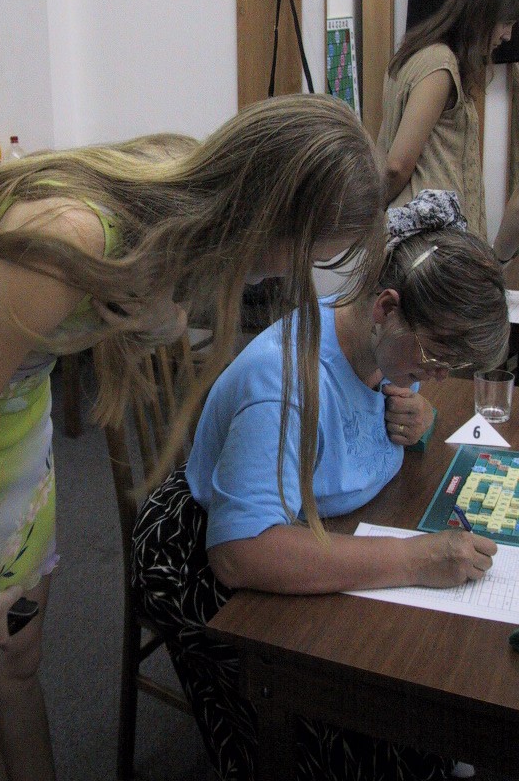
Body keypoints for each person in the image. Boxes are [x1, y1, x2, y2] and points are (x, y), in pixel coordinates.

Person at [0, 94, 385, 781]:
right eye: (293, 257)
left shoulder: (189, 197)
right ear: (265, 209)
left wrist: (155, 316)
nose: (280, 276)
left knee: (20, 665)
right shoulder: (73, 234)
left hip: (9, 425)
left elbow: (155, 315)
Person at [132, 190, 509, 781]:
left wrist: (421, 421)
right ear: (386, 307)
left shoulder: (378, 340)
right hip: (210, 553)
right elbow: (240, 553)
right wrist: (414, 559)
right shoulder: (284, 383)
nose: (436, 374)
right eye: (435, 357)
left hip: (313, 522)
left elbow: (363, 421)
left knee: (403, 684)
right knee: (359, 720)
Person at [376, 0, 519, 239]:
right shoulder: (438, 64)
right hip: (431, 240)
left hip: (423, 237)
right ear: (484, 15)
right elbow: (397, 166)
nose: (507, 36)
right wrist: (370, 213)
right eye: (506, 24)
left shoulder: (418, 56)